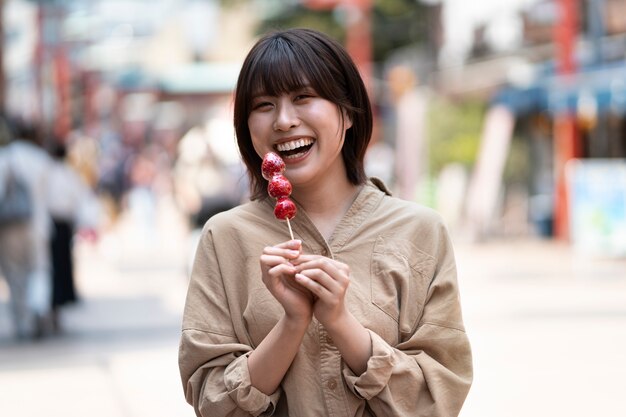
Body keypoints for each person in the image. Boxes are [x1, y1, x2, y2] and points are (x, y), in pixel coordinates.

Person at [178, 28, 472, 416]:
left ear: (348, 112)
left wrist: (340, 322)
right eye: (263, 104)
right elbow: (210, 400)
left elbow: (440, 397)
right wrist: (292, 322)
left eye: (303, 97)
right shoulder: (224, 238)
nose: (284, 121)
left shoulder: (420, 231)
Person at [0, 118, 53, 339]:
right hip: (38, 225)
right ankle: (38, 309)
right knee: (38, 271)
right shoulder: (41, 159)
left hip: (11, 226)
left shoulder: (6, 158)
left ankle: (24, 322)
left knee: (15, 274)